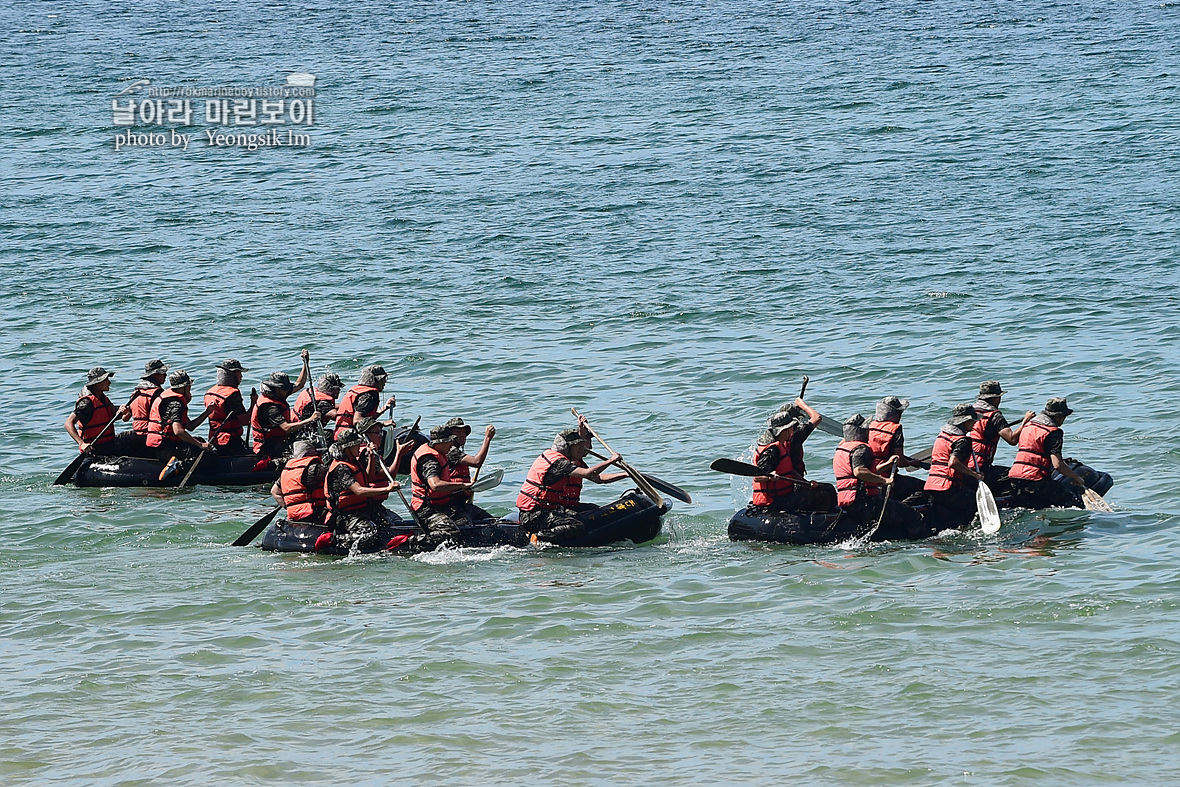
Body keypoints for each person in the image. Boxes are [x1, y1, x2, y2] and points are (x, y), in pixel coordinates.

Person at [515, 422, 627, 544]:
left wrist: (626, 474)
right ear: (567, 448)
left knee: (595, 511)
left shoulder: (569, 462)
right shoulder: (559, 464)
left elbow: (597, 478)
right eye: (578, 447)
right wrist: (610, 461)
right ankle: (538, 537)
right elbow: (588, 473)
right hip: (534, 515)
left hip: (546, 510)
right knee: (576, 525)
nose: (582, 449)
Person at [832, 414, 928, 540]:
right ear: (861, 431)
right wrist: (885, 480)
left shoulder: (843, 449)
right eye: (866, 430)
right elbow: (859, 472)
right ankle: (921, 543)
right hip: (865, 503)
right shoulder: (861, 449)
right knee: (913, 516)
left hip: (849, 502)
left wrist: (887, 464)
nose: (869, 433)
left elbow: (867, 473)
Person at [322, 428, 401, 553]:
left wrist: (370, 457)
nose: (359, 447)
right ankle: (333, 540)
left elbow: (369, 477)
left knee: (390, 525)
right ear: (348, 447)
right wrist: (387, 489)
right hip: (345, 515)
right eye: (356, 445)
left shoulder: (353, 461)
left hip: (362, 509)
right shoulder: (342, 468)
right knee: (369, 535)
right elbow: (358, 491)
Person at [405, 424, 478, 550]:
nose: (451, 444)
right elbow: (435, 485)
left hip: (442, 504)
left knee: (466, 523)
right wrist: (462, 485)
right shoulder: (429, 460)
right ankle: (413, 541)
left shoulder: (442, 452)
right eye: (449, 441)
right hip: (426, 508)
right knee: (452, 533)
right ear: (440, 443)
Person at [1007, 397, 1088, 509]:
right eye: (1064, 417)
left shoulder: (1028, 426)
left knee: (1032, 506)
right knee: (1073, 502)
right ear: (1058, 416)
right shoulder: (1053, 432)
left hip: (1014, 476)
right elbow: (1057, 464)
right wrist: (1077, 478)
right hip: (1035, 479)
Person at [755, 405, 837, 512]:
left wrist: (806, 484)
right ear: (782, 430)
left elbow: (790, 471)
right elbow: (757, 477)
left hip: (785, 493)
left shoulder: (781, 444)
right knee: (823, 495)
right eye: (790, 429)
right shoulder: (771, 451)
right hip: (776, 500)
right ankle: (826, 523)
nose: (792, 432)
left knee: (828, 489)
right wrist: (770, 477)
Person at [923, 403, 986, 530]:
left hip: (932, 485)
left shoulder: (943, 435)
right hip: (948, 487)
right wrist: (974, 474)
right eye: (973, 420)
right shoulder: (962, 440)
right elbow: (953, 462)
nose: (975, 423)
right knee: (977, 504)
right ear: (965, 421)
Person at [969, 380, 1035, 489]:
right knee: (1015, 477)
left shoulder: (968, 413)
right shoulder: (995, 416)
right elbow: (1012, 439)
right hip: (980, 468)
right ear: (995, 398)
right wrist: (1025, 421)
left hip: (964, 465)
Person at [145, 369, 210, 470]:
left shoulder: (171, 399)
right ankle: (177, 467)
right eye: (189, 386)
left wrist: (207, 412)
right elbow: (178, 431)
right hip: (166, 448)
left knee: (199, 440)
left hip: (162, 445)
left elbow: (190, 426)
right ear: (184, 387)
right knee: (208, 456)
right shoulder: (176, 404)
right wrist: (200, 445)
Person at [251, 371, 321, 461]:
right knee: (298, 455)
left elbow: (299, 384)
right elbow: (286, 428)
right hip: (268, 444)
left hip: (281, 438)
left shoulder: (279, 394)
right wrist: (310, 419)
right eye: (285, 388)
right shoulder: (270, 407)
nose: (288, 390)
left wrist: (305, 363)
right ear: (277, 388)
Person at [867, 395, 925, 500]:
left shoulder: (869, 427)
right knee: (924, 488)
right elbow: (900, 461)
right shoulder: (895, 430)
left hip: (869, 476)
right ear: (895, 414)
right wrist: (912, 463)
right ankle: (906, 509)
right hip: (887, 477)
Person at [64, 367, 130, 457]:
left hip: (109, 445)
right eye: (106, 380)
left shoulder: (103, 398)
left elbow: (112, 414)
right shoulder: (86, 403)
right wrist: (81, 443)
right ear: (97, 383)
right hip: (95, 449)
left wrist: (124, 411)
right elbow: (68, 423)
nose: (109, 382)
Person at [444, 417, 497, 519]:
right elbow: (477, 462)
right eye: (458, 431)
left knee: (490, 521)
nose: (463, 434)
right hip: (452, 506)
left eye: (464, 432)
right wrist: (487, 438)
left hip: (461, 504)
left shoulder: (455, 450)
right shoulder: (451, 451)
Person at [271, 440, 329, 526]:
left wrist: (289, 507)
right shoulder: (315, 469)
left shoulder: (288, 470)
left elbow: (274, 491)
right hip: (314, 514)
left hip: (295, 516)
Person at [204, 358, 254, 456]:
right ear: (233, 375)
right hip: (231, 441)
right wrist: (253, 403)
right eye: (239, 373)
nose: (241, 376)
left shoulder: (210, 392)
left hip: (214, 439)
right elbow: (244, 420)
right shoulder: (232, 395)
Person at [123, 359, 170, 457]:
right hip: (151, 436)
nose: (165, 375)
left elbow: (125, 418)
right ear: (154, 375)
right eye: (163, 373)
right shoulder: (157, 394)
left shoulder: (136, 393)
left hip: (137, 434)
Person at [335, 365, 396, 438]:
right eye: (383, 379)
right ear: (375, 380)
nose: (385, 381)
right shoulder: (368, 396)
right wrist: (382, 424)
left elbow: (365, 419)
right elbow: (357, 421)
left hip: (341, 435)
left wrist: (384, 408)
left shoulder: (360, 392)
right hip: (350, 438)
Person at [292, 372, 342, 440]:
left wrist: (347, 404)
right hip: (303, 435)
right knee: (332, 435)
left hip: (297, 429)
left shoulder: (315, 396)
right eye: (337, 388)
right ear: (330, 389)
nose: (339, 391)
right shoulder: (322, 403)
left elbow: (330, 407)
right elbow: (336, 416)